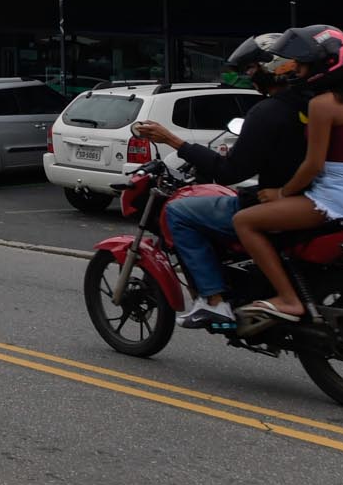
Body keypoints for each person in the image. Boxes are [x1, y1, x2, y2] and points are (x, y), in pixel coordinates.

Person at [131, 33, 307, 331]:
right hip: (321, 198)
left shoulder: (268, 112)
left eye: (252, 68)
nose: (250, 76)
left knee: (179, 213)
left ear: (276, 66)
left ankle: (214, 302)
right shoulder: (322, 104)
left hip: (286, 202)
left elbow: (228, 173)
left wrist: (172, 139)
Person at [230, 25, 343, 322]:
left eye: (302, 66)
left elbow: (313, 165)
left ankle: (288, 299)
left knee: (244, 221)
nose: (297, 72)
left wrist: (281, 193)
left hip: (336, 197)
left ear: (322, 67)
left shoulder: (321, 105)